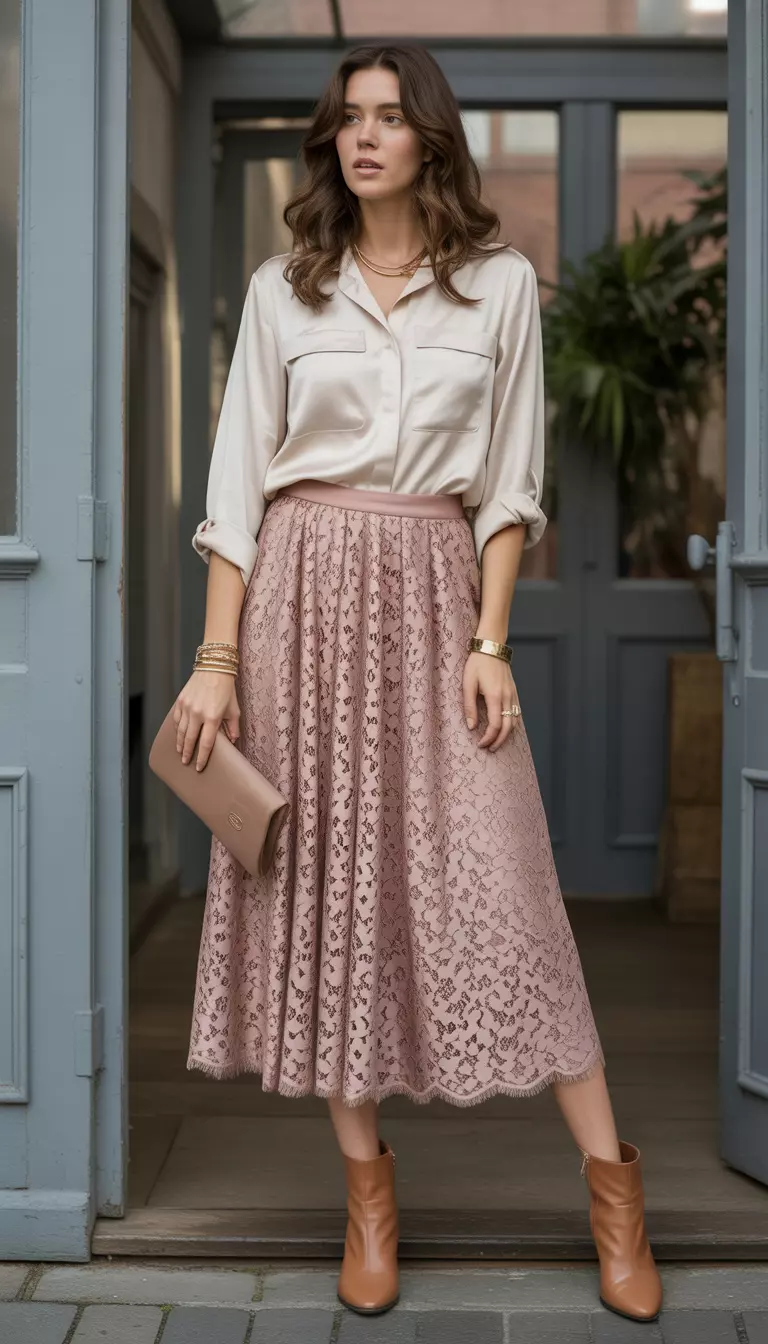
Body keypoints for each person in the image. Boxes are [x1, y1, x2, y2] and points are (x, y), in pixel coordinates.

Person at [175, 42, 663, 1326]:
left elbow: (510, 482)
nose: (367, 137)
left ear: (432, 138)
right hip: (301, 598)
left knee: (508, 894)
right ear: (331, 141)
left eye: (392, 117)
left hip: (437, 594)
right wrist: (220, 663)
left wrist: (488, 640)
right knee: (336, 898)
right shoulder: (289, 290)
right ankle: (368, 1201)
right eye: (350, 118)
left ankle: (615, 1195)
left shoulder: (498, 287)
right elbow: (239, 491)